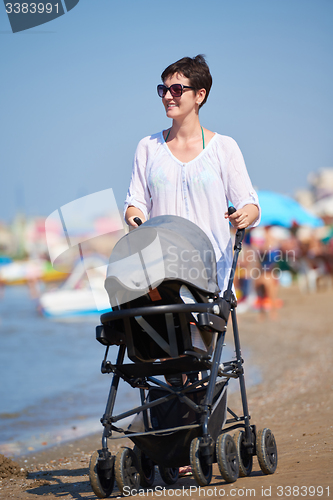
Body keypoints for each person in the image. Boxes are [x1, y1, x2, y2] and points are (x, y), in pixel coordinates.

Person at [124, 55, 260, 294]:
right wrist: (137, 222)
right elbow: (136, 203)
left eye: (176, 90)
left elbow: (250, 205)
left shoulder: (224, 147)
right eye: (163, 90)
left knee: (199, 332)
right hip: (160, 271)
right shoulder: (148, 146)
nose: (167, 97)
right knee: (158, 331)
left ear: (200, 95)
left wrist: (243, 217)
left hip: (211, 272)